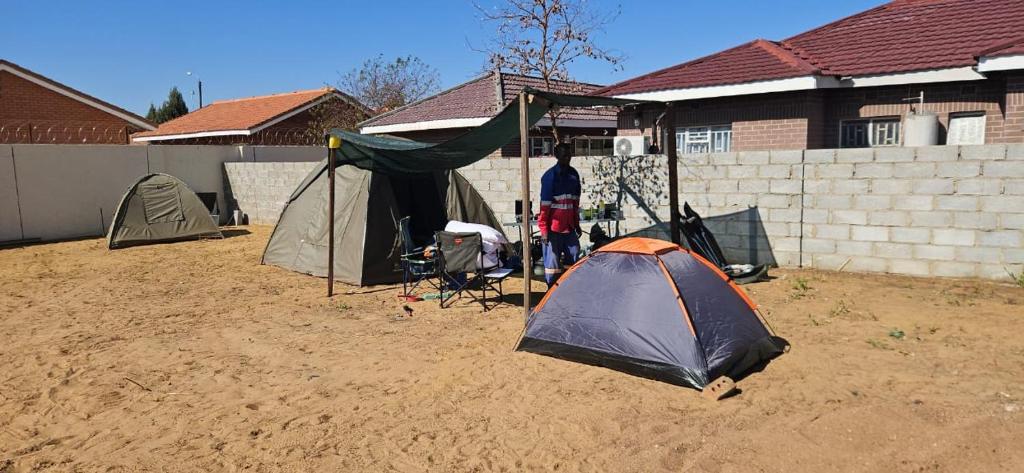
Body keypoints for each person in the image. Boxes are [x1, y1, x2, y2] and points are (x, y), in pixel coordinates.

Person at [538, 142, 582, 287]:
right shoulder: (550, 177)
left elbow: (575, 204)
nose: (567, 158)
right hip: (553, 230)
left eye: (569, 155)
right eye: (564, 155)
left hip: (569, 228)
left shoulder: (573, 175)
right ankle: (551, 292)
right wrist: (544, 231)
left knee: (574, 255)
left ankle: (570, 289)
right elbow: (544, 208)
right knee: (552, 264)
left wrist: (577, 225)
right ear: (557, 156)